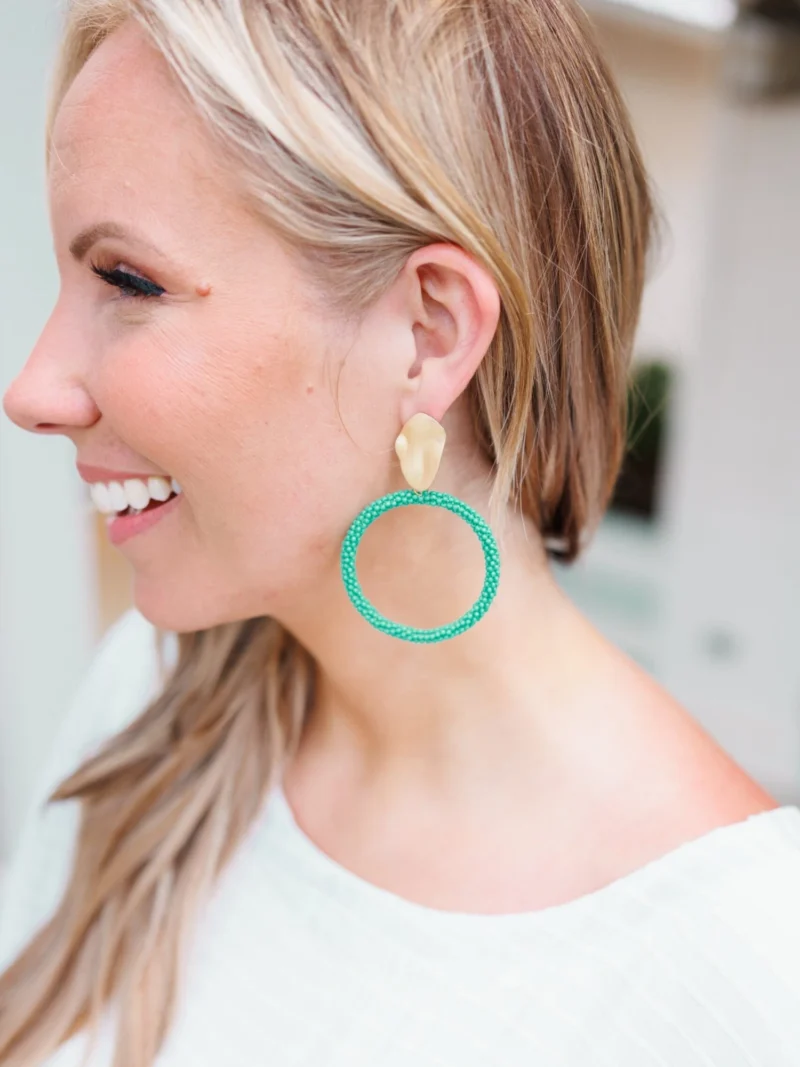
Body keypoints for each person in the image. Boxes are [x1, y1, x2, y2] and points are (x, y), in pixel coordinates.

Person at [2, 0, 800, 1064]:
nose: (33, 389)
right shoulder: (149, 702)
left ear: (426, 334)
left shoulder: (743, 972)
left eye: (126, 280)